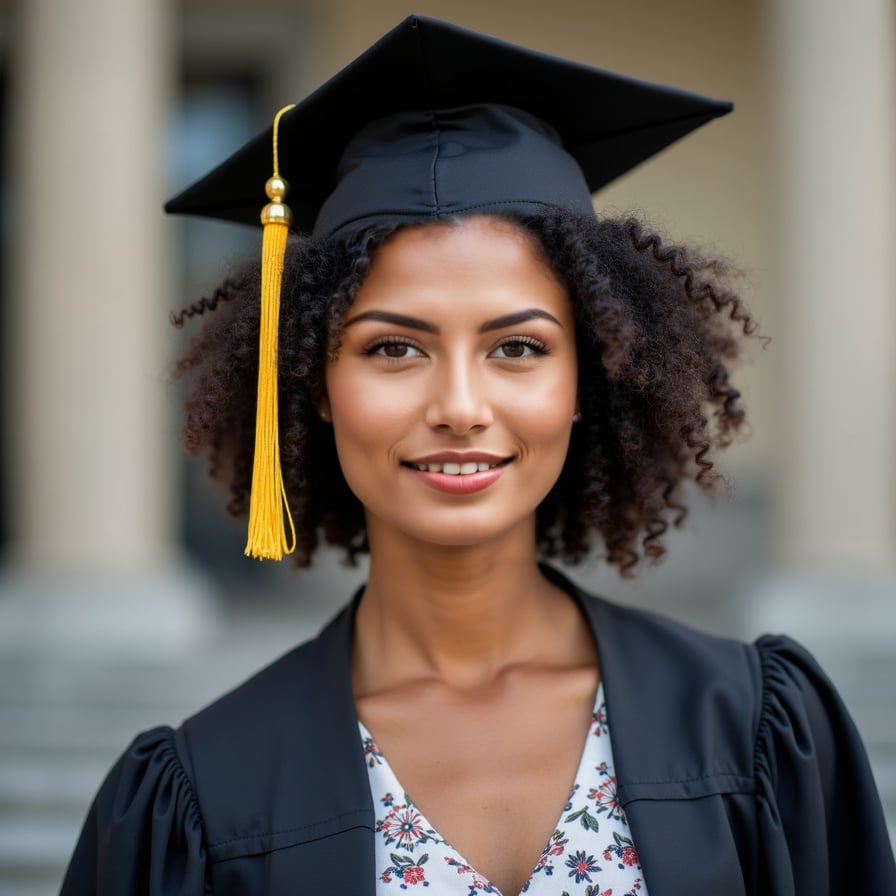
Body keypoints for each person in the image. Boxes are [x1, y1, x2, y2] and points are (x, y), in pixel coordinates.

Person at [60, 15, 895, 896]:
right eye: (393, 349)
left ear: (588, 380)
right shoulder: (198, 797)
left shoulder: (753, 727)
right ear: (313, 384)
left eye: (519, 348)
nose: (460, 407)